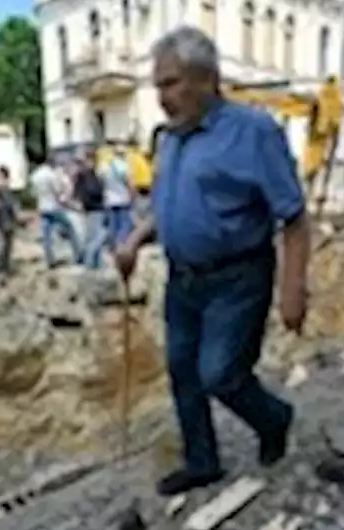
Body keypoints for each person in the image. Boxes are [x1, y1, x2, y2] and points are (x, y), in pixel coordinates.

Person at [113, 25, 309, 497]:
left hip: (237, 277)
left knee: (220, 374)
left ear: (206, 79)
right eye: (157, 85)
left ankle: (274, 418)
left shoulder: (253, 132)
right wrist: (135, 240)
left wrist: (293, 289)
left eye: (171, 83)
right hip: (183, 280)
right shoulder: (172, 139)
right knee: (183, 374)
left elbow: (295, 217)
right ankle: (202, 461)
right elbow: (167, 208)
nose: (161, 97)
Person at [30, 157, 81, 267]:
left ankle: (50, 259)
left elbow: (33, 194)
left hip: (42, 207)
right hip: (53, 207)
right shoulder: (51, 175)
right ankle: (78, 255)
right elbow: (57, 191)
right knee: (70, 228)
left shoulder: (35, 175)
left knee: (46, 235)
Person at [73, 153, 109, 269]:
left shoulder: (88, 175)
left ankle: (96, 263)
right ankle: (89, 260)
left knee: (93, 236)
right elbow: (94, 190)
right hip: (94, 207)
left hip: (93, 208)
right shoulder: (86, 175)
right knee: (98, 236)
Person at [102, 146, 136, 245]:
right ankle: (121, 243)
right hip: (123, 199)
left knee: (113, 224)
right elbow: (130, 183)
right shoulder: (124, 166)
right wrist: (133, 195)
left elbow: (102, 182)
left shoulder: (105, 167)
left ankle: (113, 244)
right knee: (125, 223)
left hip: (109, 200)